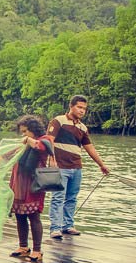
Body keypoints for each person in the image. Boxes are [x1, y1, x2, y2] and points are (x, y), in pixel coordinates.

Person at [47, 95, 110, 239]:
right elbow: (49, 140)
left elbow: (89, 147)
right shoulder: (58, 121)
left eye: (84, 109)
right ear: (71, 106)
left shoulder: (82, 127)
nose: (82, 111)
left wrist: (101, 165)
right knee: (58, 197)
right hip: (60, 166)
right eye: (79, 107)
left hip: (76, 167)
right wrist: (52, 159)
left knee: (72, 198)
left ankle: (67, 225)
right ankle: (55, 228)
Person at [10, 115, 55, 261]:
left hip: (33, 184)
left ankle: (37, 250)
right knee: (20, 215)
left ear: (33, 129)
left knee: (34, 216)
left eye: (25, 131)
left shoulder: (44, 139)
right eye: (22, 132)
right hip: (19, 183)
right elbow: (9, 154)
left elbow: (40, 146)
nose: (23, 135)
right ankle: (23, 247)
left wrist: (28, 140)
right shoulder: (26, 142)